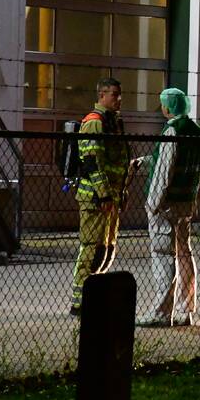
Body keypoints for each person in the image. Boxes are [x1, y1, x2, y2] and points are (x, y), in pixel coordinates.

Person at [134, 88, 200, 327]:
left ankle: (162, 313)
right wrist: (144, 162)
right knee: (185, 252)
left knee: (163, 255)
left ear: (168, 107)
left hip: (166, 204)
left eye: (162, 104)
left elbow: (165, 171)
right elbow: (173, 159)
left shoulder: (172, 130)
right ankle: (186, 310)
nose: (161, 108)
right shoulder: (195, 131)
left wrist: (153, 204)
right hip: (186, 202)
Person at [70, 77, 131, 316]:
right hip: (95, 198)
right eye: (114, 94)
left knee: (106, 250)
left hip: (111, 197)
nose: (119, 98)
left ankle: (94, 296)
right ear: (102, 95)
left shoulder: (113, 122)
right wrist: (105, 195)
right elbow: (92, 162)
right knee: (90, 249)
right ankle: (80, 302)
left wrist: (121, 191)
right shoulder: (95, 122)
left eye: (119, 93)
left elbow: (118, 161)